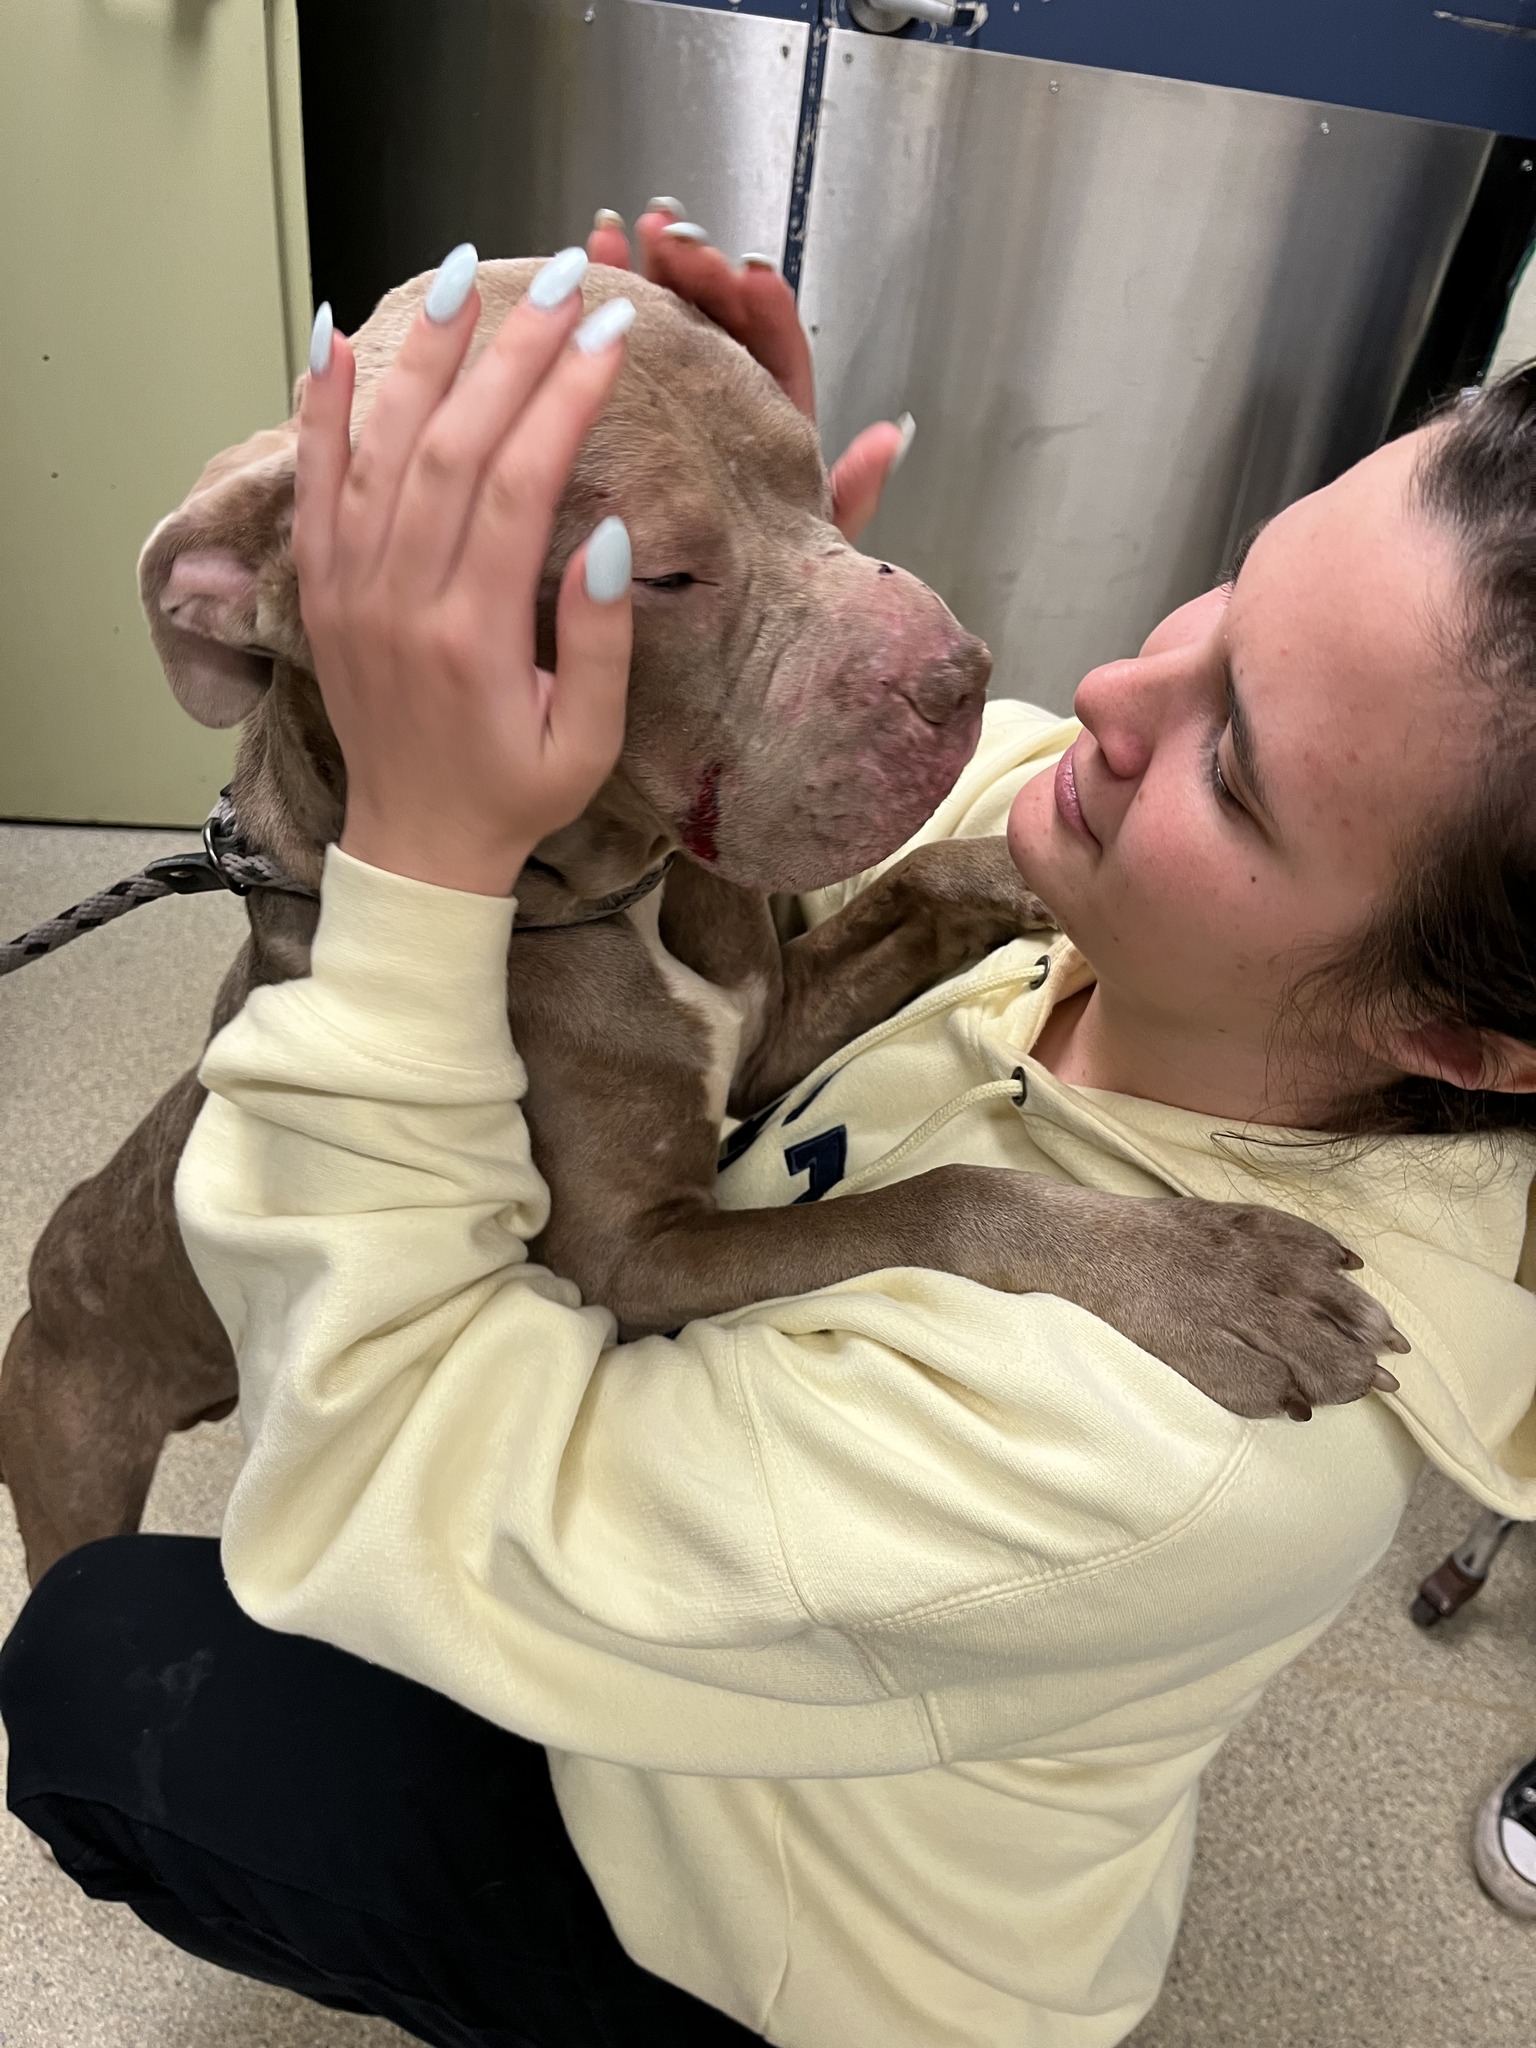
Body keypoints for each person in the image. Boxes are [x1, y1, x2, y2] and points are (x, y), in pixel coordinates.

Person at [3, 207, 1535, 2048]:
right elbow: (886, 829)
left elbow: (371, 1500)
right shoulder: (1158, 904)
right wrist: (737, 564)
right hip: (728, 1621)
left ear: (1460, 1036)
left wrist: (433, 844)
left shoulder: (1175, 1459)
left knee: (92, 1686)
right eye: (1226, 600)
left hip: (771, 1944)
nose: (1099, 699)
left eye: (1234, 763)